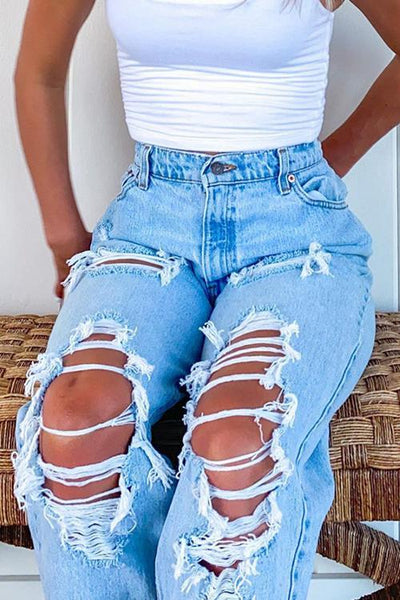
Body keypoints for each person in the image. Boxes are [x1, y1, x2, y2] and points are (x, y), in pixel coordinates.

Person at [10, 0, 400, 598]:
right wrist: (65, 239)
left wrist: (328, 161)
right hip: (148, 224)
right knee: (73, 423)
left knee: (239, 440)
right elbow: (39, 69)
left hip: (297, 239)